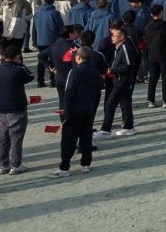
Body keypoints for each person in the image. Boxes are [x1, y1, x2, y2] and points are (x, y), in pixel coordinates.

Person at [54, 47, 102, 177]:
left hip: (75, 110)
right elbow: (98, 91)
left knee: (68, 139)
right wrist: (93, 106)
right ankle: (86, 164)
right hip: (89, 109)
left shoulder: (74, 72)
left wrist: (66, 113)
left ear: (79, 57)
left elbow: (69, 93)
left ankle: (64, 167)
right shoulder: (95, 72)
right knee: (86, 137)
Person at [0, 41, 33, 174]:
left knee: (2, 139)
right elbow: (30, 76)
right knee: (16, 138)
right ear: (17, 57)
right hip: (16, 108)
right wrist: (20, 64)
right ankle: (16, 165)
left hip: (0, 109)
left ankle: (3, 165)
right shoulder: (17, 70)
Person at [100, 23, 137, 138]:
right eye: (112, 35)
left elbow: (128, 65)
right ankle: (128, 127)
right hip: (119, 79)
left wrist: (113, 70)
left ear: (122, 37)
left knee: (110, 104)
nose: (112, 37)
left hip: (122, 80)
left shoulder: (125, 47)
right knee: (125, 104)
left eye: (114, 36)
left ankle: (106, 129)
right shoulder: (118, 48)